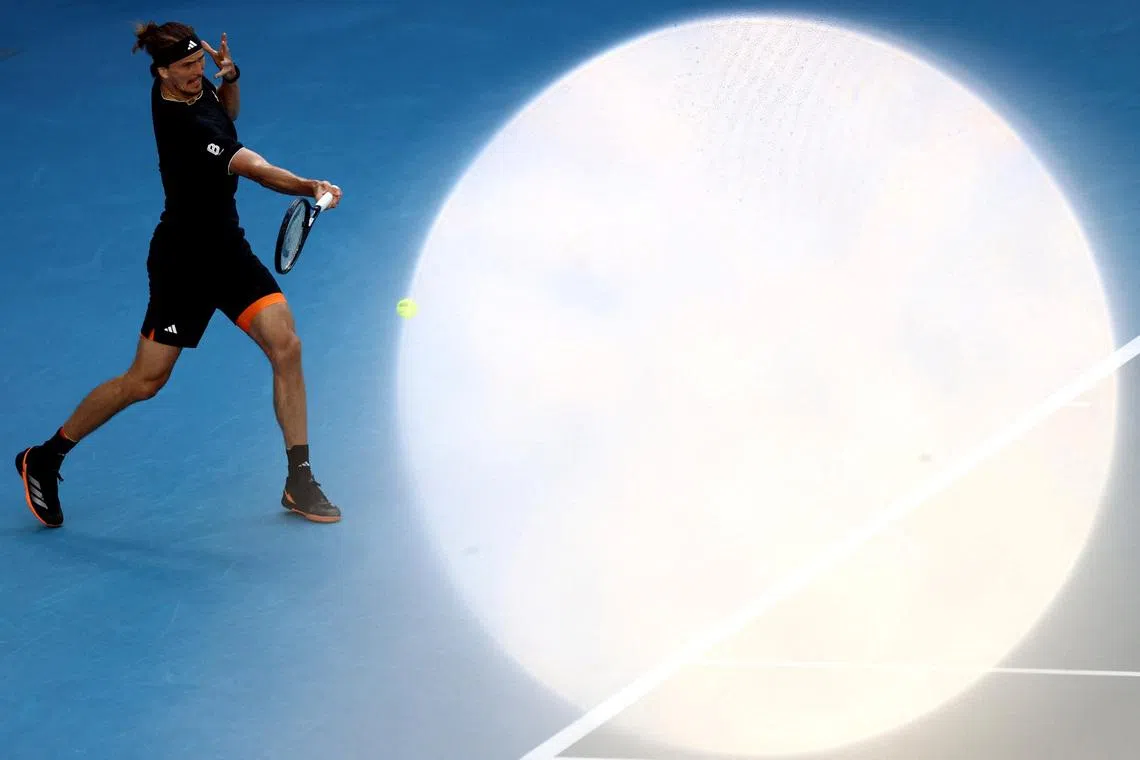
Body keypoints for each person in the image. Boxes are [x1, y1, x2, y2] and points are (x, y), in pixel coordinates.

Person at [14, 20, 343, 528]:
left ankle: (299, 478)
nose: (197, 74)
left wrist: (228, 76)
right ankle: (47, 454)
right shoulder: (184, 126)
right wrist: (306, 183)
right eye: (187, 67)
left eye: (200, 64)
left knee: (287, 345)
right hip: (183, 265)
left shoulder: (191, 88)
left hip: (227, 252)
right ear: (162, 72)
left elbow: (227, 114)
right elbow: (254, 167)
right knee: (145, 381)